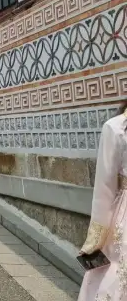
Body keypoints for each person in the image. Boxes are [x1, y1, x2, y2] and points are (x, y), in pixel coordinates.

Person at [77, 103, 127, 300]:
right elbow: (104, 188)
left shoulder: (116, 127)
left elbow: (104, 188)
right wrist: (96, 238)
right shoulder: (115, 128)